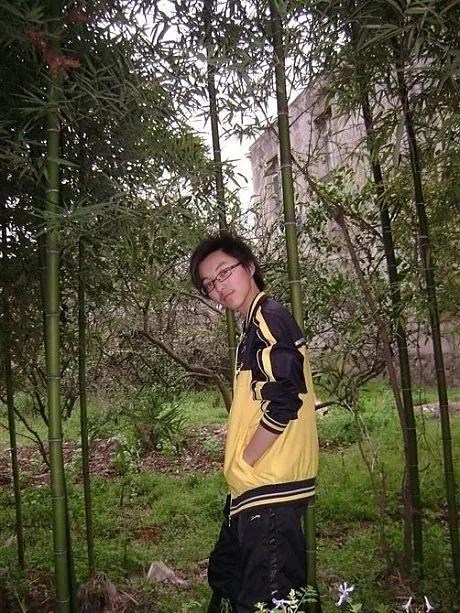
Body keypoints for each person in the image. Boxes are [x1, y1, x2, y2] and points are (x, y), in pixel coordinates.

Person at [190, 233, 319, 613]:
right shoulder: (253, 326)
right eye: (209, 284)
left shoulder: (268, 318)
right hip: (255, 489)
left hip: (269, 488)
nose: (218, 286)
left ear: (249, 267)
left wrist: (247, 461)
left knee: (268, 601)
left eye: (224, 272)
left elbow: (285, 399)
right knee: (230, 578)